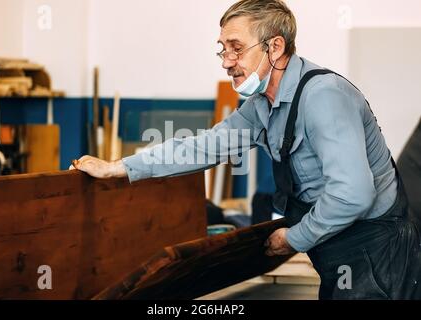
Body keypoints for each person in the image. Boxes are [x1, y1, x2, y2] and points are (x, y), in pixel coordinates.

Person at [70, 0, 421, 299]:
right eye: (222, 49)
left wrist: (294, 238)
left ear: (275, 47)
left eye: (236, 48)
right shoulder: (261, 105)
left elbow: (353, 194)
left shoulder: (323, 97)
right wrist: (119, 168)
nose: (226, 61)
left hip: (377, 250)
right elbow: (203, 148)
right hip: (337, 244)